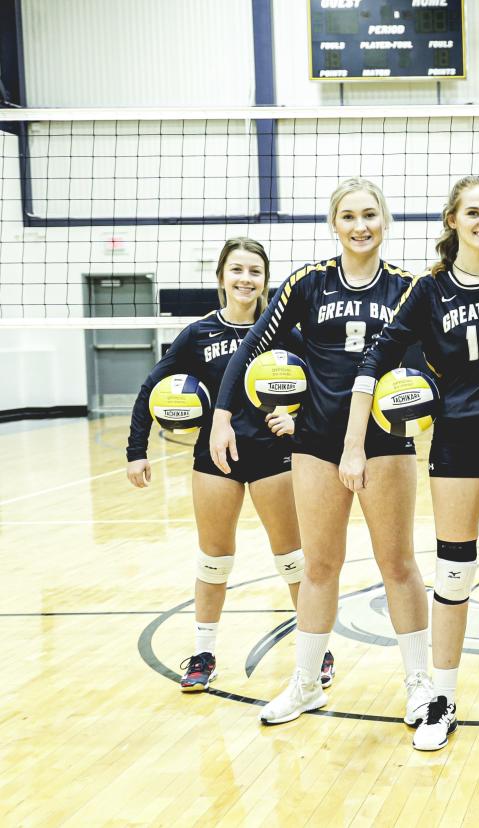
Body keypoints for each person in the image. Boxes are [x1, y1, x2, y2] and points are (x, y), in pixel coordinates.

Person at [340, 175, 479, 751]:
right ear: (453, 221)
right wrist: (354, 440)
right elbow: (375, 358)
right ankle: (441, 698)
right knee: (454, 574)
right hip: (457, 439)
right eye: (474, 213)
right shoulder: (428, 290)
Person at [211, 178, 433, 726]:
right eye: (349, 216)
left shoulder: (408, 287)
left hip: (385, 440)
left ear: (385, 222)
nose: (360, 226)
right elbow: (253, 347)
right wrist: (222, 415)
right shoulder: (308, 284)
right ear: (334, 225)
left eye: (370, 215)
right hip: (313, 441)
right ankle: (306, 683)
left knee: (398, 564)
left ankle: (420, 685)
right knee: (319, 565)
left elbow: (427, 365)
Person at [126, 238, 332, 692]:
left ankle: (316, 650)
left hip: (271, 457)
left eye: (255, 271)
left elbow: (320, 386)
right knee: (213, 560)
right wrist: (136, 449)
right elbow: (150, 387)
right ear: (221, 276)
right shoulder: (198, 334)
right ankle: (203, 652)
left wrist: (295, 419)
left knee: (293, 559)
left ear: (265, 280)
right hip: (214, 456)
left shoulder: (282, 333)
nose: (245, 279)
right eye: (237, 269)